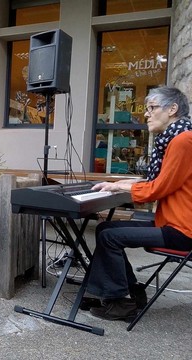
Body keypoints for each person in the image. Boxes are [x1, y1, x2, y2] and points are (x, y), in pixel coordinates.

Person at [86, 86, 192, 321]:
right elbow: (163, 180)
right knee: (105, 229)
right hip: (170, 223)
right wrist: (126, 182)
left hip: (182, 230)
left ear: (172, 109)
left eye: (152, 108)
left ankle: (120, 301)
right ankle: (131, 292)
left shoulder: (183, 140)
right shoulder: (178, 137)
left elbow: (159, 189)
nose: (146, 114)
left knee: (109, 236)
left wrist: (118, 186)